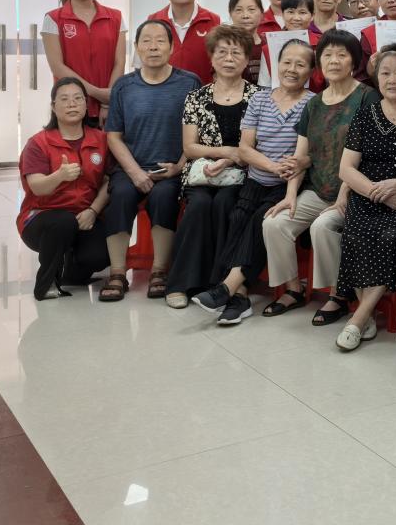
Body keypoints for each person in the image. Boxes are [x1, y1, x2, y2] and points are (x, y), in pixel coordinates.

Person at [190, 39, 315, 325]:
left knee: (261, 219)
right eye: (286, 62)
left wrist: (284, 171)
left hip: (289, 184)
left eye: (300, 64)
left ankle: (226, 289)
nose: (292, 69)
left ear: (310, 71)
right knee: (238, 217)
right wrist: (272, 166)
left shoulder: (312, 103)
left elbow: (308, 154)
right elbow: (245, 148)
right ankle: (240, 296)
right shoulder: (260, 98)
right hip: (257, 178)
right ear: (277, 65)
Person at [260, 29, 373, 323]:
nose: (334, 61)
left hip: (353, 191)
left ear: (354, 61)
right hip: (317, 189)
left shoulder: (366, 97)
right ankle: (293, 289)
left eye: (341, 55)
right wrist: (290, 196)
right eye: (327, 55)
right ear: (319, 62)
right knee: (274, 223)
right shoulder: (314, 103)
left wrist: (345, 196)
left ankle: (338, 296)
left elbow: (368, 156)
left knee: (323, 226)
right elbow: (300, 158)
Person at [331, 43, 396, 351]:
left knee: (391, 236)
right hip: (368, 195)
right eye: (385, 73)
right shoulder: (366, 114)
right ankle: (366, 316)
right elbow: (346, 169)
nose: (392, 80)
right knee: (355, 234)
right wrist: (379, 194)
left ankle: (358, 319)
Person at [100, 19, 200, 302]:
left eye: (160, 41)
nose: (153, 47)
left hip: (171, 168)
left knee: (164, 196)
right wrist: (134, 172)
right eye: (146, 41)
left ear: (171, 46)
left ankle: (159, 270)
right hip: (131, 167)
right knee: (120, 195)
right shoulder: (124, 86)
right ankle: (117, 272)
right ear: (136, 47)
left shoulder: (189, 82)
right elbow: (114, 137)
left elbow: (197, 131)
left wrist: (179, 166)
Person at [164, 25, 259, 309]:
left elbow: (260, 145)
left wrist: (233, 159)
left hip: (243, 173)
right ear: (211, 57)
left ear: (247, 59)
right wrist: (224, 152)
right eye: (222, 52)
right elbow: (189, 148)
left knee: (226, 203)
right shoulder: (196, 97)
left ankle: (222, 283)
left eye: (236, 53)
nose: (229, 58)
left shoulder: (258, 96)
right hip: (202, 173)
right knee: (200, 205)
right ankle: (180, 283)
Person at [17, 78, 111, 300]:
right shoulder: (38, 143)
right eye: (64, 99)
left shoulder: (101, 139)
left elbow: (109, 181)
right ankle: (46, 283)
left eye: (78, 98)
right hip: (43, 217)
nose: (72, 104)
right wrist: (59, 176)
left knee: (100, 254)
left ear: (86, 105)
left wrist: (93, 211)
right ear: (53, 106)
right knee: (63, 222)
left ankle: (72, 272)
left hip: (84, 216)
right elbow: (37, 187)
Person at [41, 0, 126, 126]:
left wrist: (107, 102)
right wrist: (97, 93)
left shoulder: (115, 17)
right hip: (70, 106)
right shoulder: (53, 19)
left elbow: (119, 62)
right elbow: (57, 66)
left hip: (108, 108)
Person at [149, 0, 219, 85]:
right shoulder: (153, 21)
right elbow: (144, 64)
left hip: (203, 93)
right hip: (163, 93)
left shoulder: (214, 21)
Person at [259, 0, 316, 88]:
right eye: (290, 12)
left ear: (312, 16)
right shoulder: (269, 47)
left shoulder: (321, 44)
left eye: (302, 12)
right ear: (282, 14)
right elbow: (264, 85)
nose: (296, 18)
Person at [227, 0, 265, 84]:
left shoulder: (268, 44)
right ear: (230, 14)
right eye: (239, 10)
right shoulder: (224, 45)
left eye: (251, 10)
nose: (245, 16)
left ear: (262, 13)